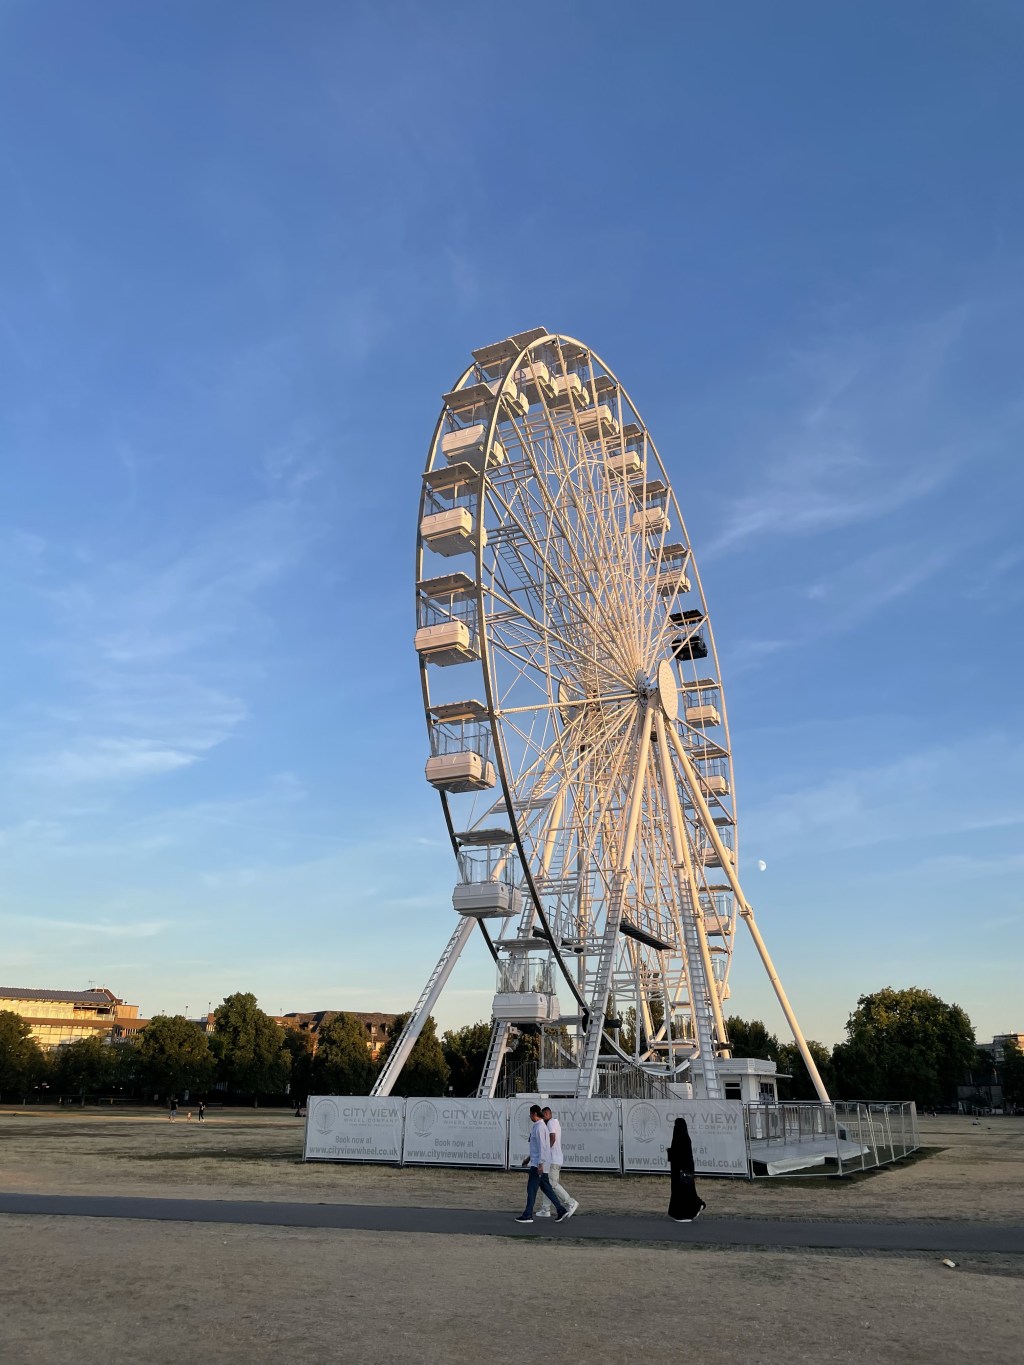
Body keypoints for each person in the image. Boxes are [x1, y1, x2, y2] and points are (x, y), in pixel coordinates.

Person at [515, 1106, 572, 1224]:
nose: (530, 1117)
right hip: (539, 1163)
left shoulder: (540, 1127)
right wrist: (528, 1159)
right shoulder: (539, 1126)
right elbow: (538, 1147)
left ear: (534, 1114)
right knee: (546, 1188)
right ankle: (561, 1210)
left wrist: (540, 1164)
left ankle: (528, 1215)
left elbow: (543, 1146)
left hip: (538, 1165)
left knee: (531, 1189)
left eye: (530, 1114)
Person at [535, 1106, 579, 1219]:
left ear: (547, 1114)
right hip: (555, 1159)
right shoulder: (555, 1123)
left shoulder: (550, 1123)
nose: (542, 1118)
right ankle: (545, 1209)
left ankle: (570, 1202)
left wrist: (545, 1151)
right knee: (547, 1184)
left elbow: (552, 1138)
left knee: (552, 1185)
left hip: (553, 1159)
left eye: (543, 1115)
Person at [667, 1116, 706, 1222]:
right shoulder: (683, 1138)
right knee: (683, 1191)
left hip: (681, 1170)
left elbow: (684, 1156)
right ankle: (684, 1213)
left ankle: (686, 1212)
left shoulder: (682, 1139)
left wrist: (683, 1168)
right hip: (681, 1169)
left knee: (683, 1191)